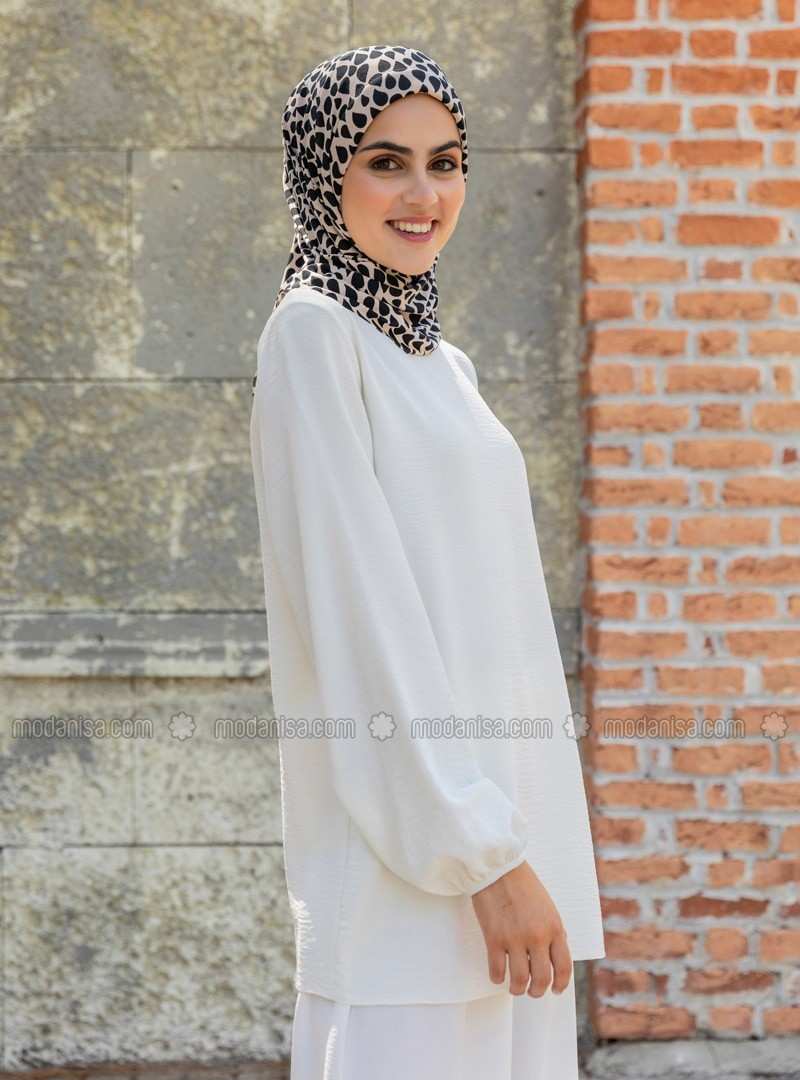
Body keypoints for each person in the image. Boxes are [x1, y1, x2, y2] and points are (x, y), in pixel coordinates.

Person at [249, 43, 606, 1080]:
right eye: (385, 162)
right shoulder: (312, 336)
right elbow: (362, 623)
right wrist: (480, 859)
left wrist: (514, 851)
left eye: (445, 162)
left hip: (508, 848)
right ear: (323, 173)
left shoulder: (444, 365)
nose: (423, 194)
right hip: (418, 876)